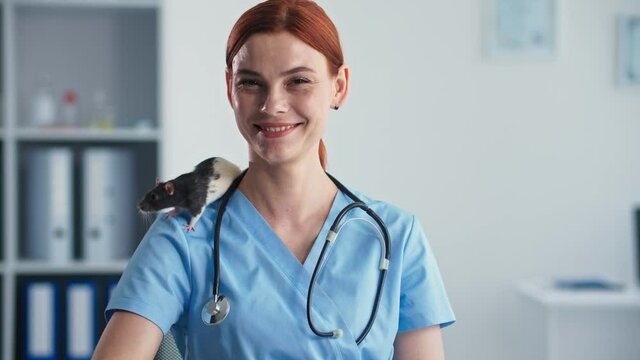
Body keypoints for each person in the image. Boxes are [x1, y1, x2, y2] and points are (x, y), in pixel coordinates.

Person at [93, 0, 455, 359]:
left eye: (298, 81)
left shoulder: (395, 237)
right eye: (251, 83)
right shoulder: (184, 238)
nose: (272, 105)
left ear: (339, 86)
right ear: (229, 88)